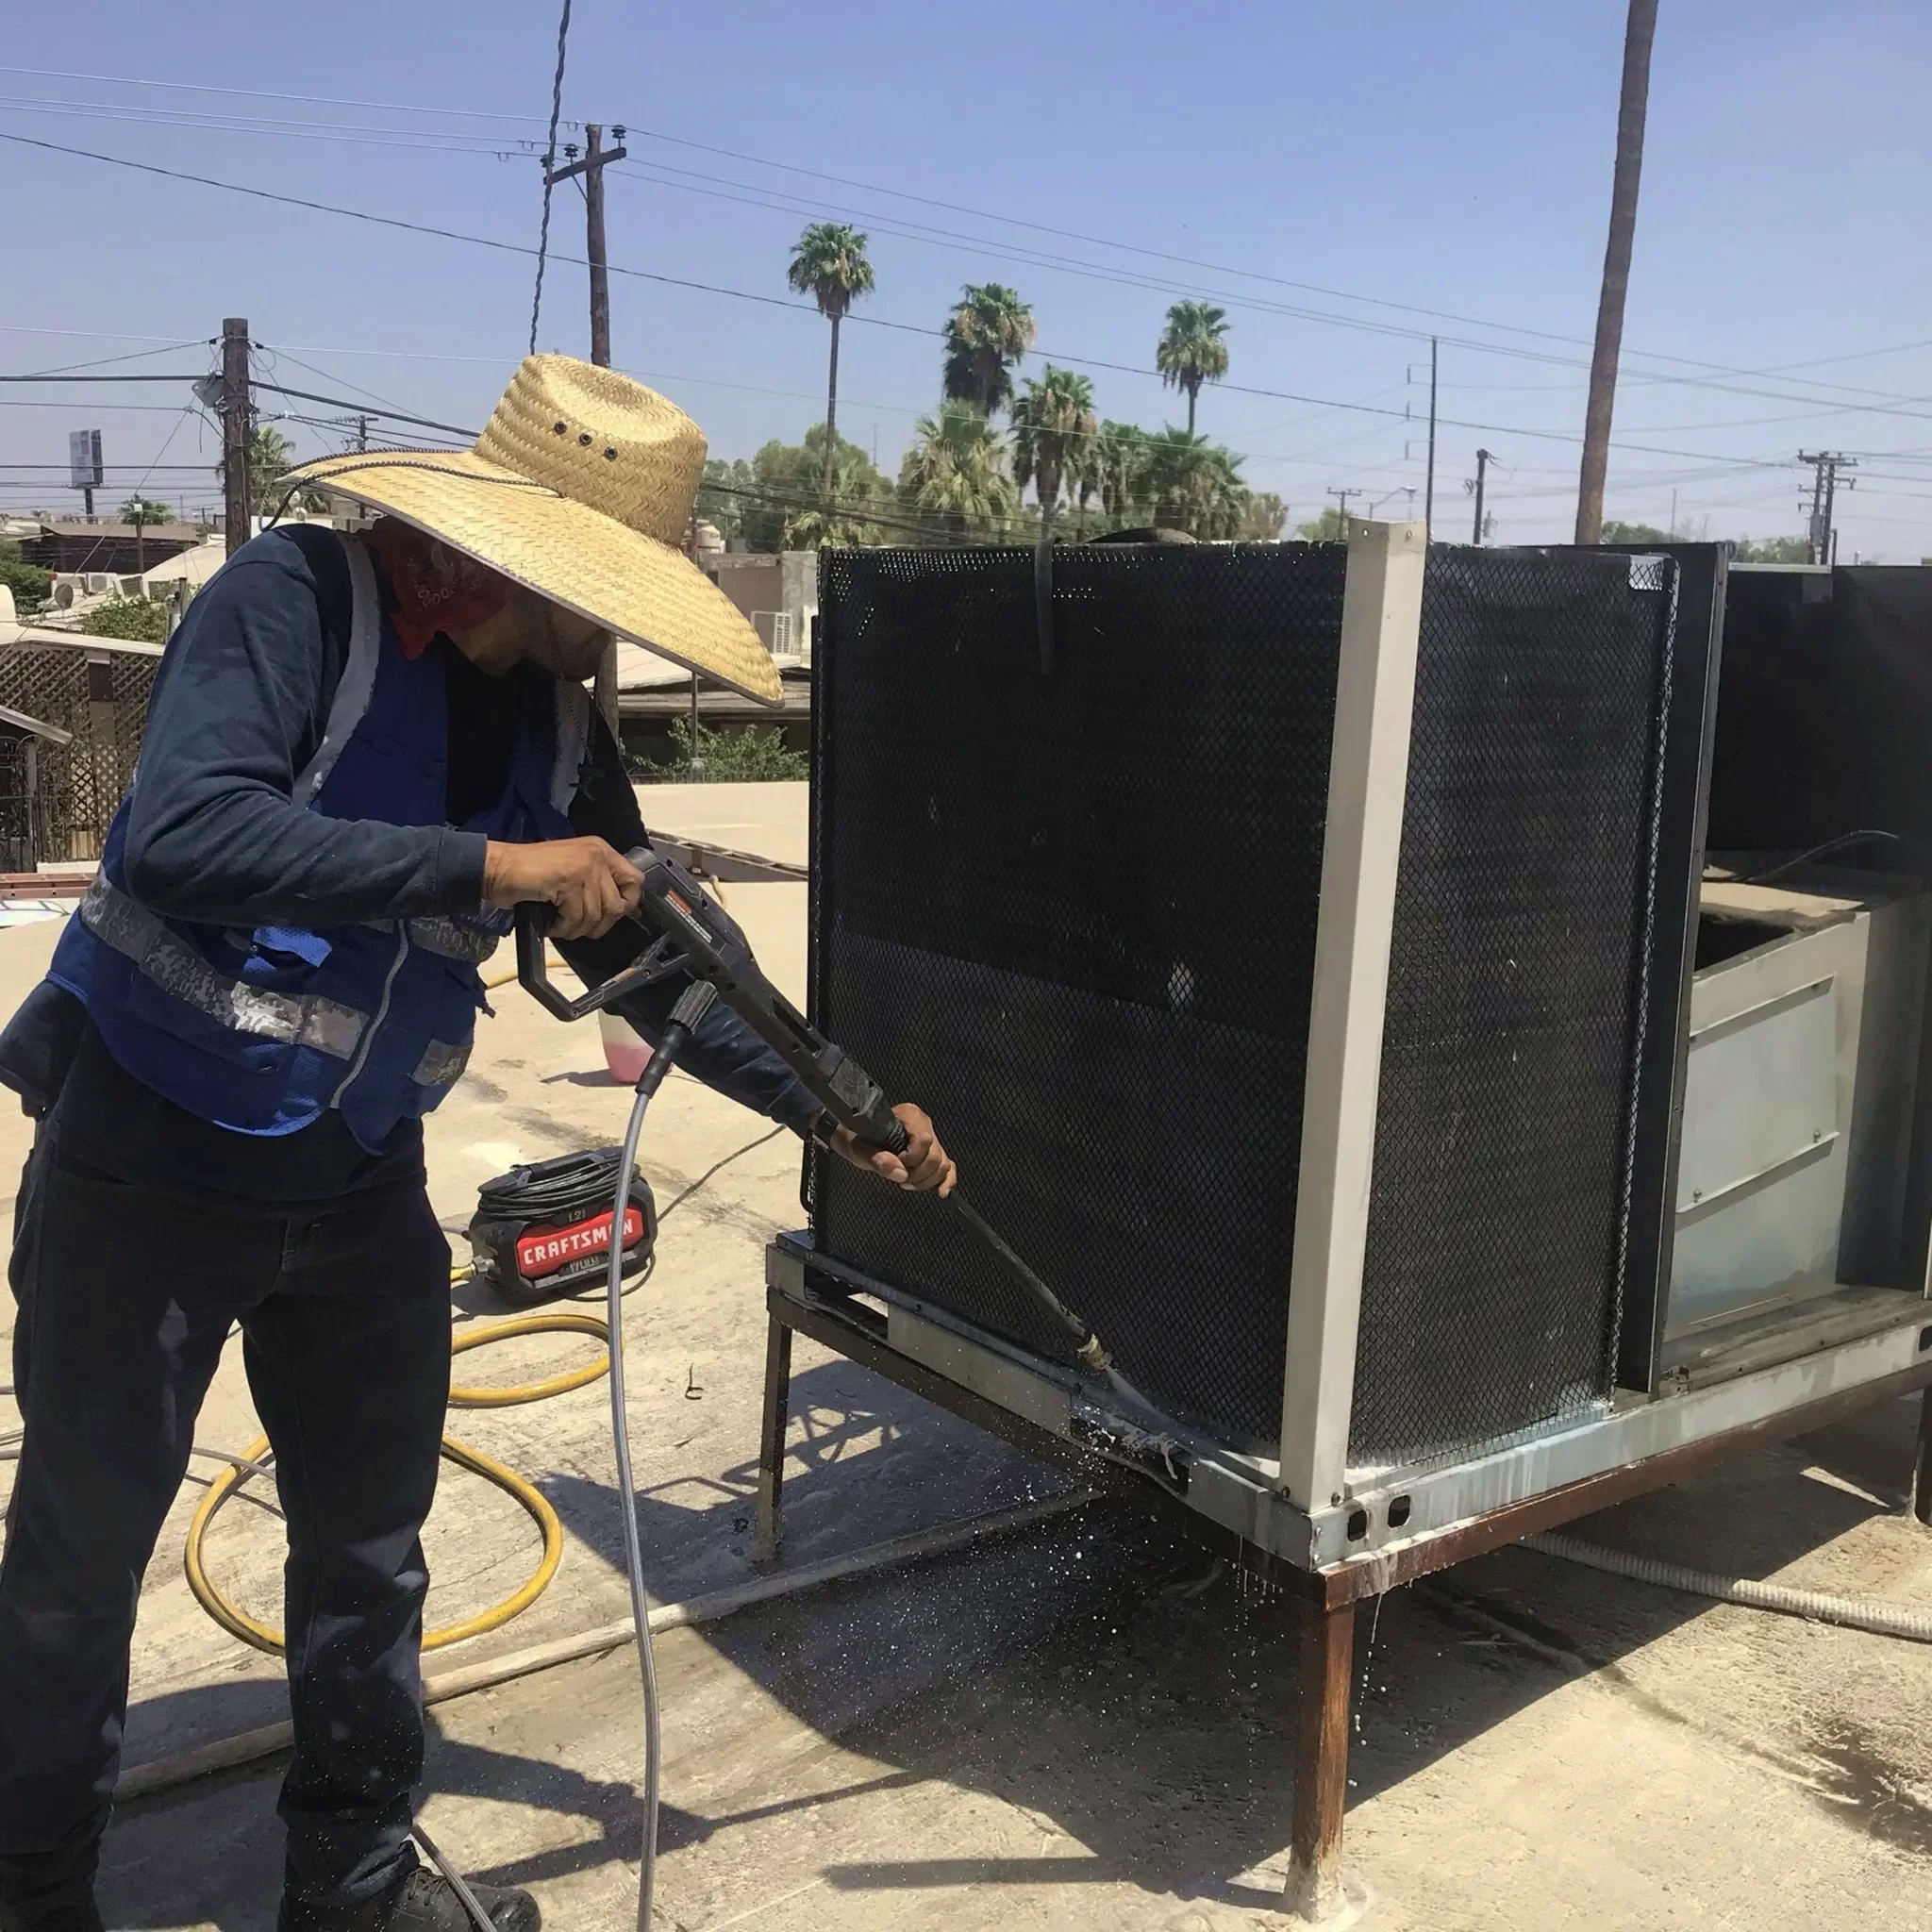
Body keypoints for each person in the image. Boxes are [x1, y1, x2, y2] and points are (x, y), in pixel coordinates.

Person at [0, 357, 954, 1932]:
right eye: (609, 601)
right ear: (529, 566)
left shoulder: (555, 722)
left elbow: (659, 958)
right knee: (76, 1568)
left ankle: (354, 1891)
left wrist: (832, 1103)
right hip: (146, 1167)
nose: (616, 637)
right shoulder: (292, 604)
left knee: (369, 1560)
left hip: (358, 1186)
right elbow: (181, 832)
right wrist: (499, 868)